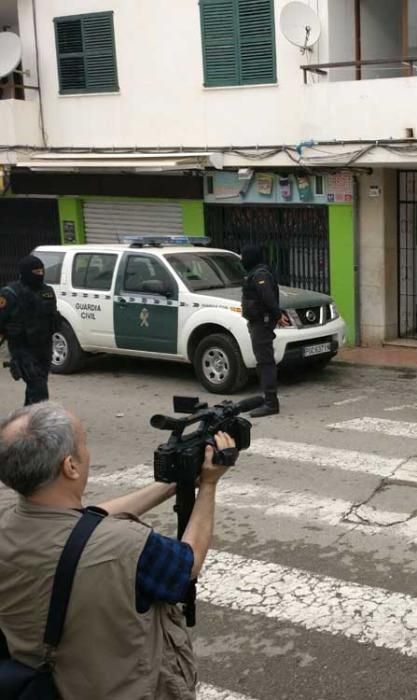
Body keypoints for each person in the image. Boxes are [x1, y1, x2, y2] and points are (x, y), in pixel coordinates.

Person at [0, 403, 236, 699]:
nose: (87, 452)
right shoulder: (126, 546)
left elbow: (84, 523)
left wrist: (173, 484)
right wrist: (210, 486)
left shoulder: (8, 524)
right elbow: (187, 564)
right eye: (83, 445)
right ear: (70, 466)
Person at [0, 255, 62, 407]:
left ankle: (26, 421)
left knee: (36, 387)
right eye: (36, 271)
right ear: (25, 272)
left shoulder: (47, 291)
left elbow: (53, 316)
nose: (40, 274)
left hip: (44, 347)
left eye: (41, 270)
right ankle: (39, 425)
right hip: (22, 348)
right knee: (39, 388)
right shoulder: (10, 293)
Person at [240, 244, 289, 418]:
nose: (241, 260)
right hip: (259, 321)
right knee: (263, 361)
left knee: (265, 362)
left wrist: (277, 315)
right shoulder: (257, 272)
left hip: (262, 323)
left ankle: (270, 403)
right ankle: (268, 398)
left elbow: (267, 297)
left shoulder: (260, 274)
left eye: (243, 256)